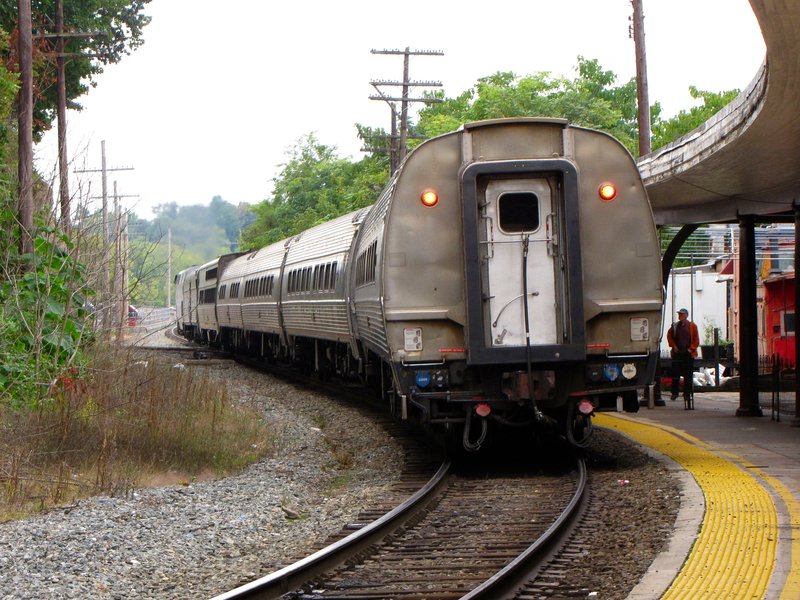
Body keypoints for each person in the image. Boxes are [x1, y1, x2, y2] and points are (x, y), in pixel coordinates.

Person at [666, 308, 700, 407]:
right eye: (679, 314)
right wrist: (674, 346)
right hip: (677, 353)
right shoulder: (675, 326)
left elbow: (696, 340)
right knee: (675, 373)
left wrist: (691, 348)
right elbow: (669, 336)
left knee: (688, 375)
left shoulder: (692, 326)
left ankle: (687, 393)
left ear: (686, 315)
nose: (679, 315)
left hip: (688, 353)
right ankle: (675, 393)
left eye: (681, 314)